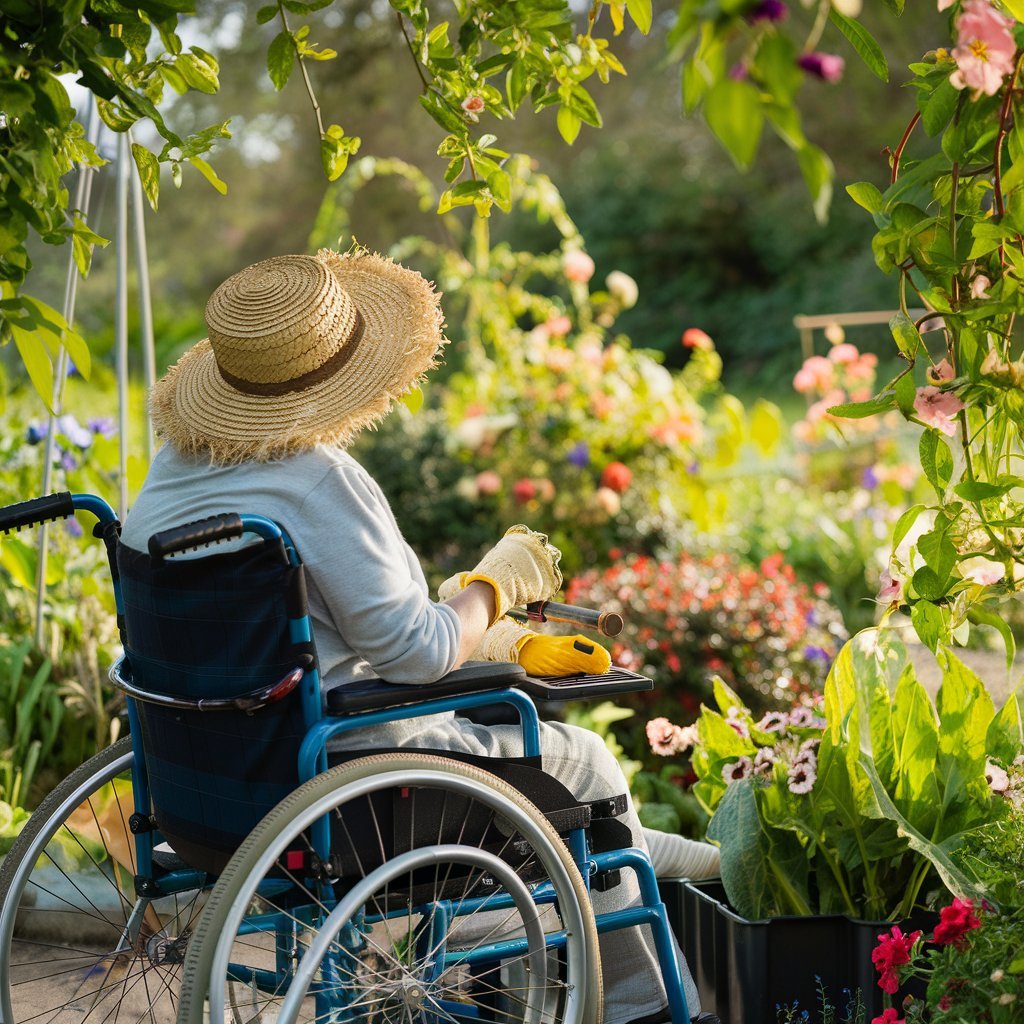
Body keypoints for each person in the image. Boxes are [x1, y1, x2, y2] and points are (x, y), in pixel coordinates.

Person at [121, 249, 720, 1024]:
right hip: (350, 795)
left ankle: (633, 872)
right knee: (586, 759)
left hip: (208, 791)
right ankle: (645, 1000)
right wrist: (494, 585)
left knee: (554, 774)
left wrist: (469, 618)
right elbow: (419, 653)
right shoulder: (313, 477)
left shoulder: (166, 478)